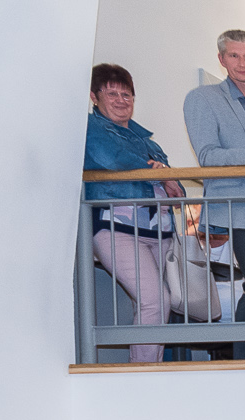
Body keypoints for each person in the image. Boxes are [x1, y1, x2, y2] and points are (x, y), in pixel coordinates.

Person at [182, 31, 245, 360]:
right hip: (243, 205)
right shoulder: (203, 98)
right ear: (221, 59)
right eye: (234, 56)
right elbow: (208, 155)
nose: (242, 63)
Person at [85, 64, 183, 365]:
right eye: (111, 93)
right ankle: (142, 374)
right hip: (116, 229)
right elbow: (110, 158)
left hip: (160, 231)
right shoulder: (91, 128)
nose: (120, 100)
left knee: (154, 304)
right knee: (156, 300)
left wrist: (168, 179)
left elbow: (177, 190)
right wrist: (157, 173)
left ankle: (145, 367)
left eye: (126, 94)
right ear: (94, 96)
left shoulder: (150, 142)